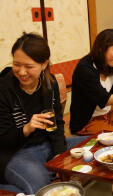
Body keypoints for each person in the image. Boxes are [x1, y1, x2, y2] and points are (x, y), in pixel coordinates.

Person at [0, 32, 87, 194]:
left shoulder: (49, 83)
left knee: (93, 146)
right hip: (18, 153)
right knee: (45, 189)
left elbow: (57, 125)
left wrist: (59, 154)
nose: (22, 72)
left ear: (44, 64)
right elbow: (3, 140)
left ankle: (47, 172)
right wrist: (26, 129)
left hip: (48, 144)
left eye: (29, 66)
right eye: (17, 64)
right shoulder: (3, 89)